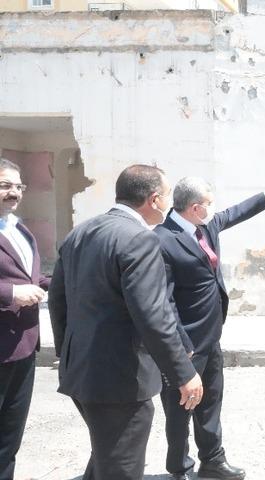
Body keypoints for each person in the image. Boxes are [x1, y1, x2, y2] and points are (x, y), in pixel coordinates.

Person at [48, 165, 204, 480]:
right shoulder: (139, 240)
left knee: (106, 458)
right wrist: (184, 373)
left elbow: (57, 300)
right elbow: (152, 315)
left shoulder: (81, 232)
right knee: (120, 468)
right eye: (167, 196)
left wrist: (68, 353)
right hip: (119, 382)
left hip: (82, 372)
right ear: (154, 199)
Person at [154, 177, 265, 480]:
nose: (215, 210)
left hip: (211, 337)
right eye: (209, 204)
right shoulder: (162, 240)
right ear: (195, 207)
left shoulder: (204, 226)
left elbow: (233, 214)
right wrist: (182, 343)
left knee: (211, 402)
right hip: (184, 344)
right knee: (179, 412)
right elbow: (164, 300)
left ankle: (213, 461)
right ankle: (179, 469)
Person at [0, 158, 50, 480]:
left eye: (19, 186)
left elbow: (32, 277)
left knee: (9, 437)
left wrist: (65, 285)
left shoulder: (20, 228)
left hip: (24, 346)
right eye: (5, 185)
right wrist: (10, 295)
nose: (14, 192)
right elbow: (15, 286)